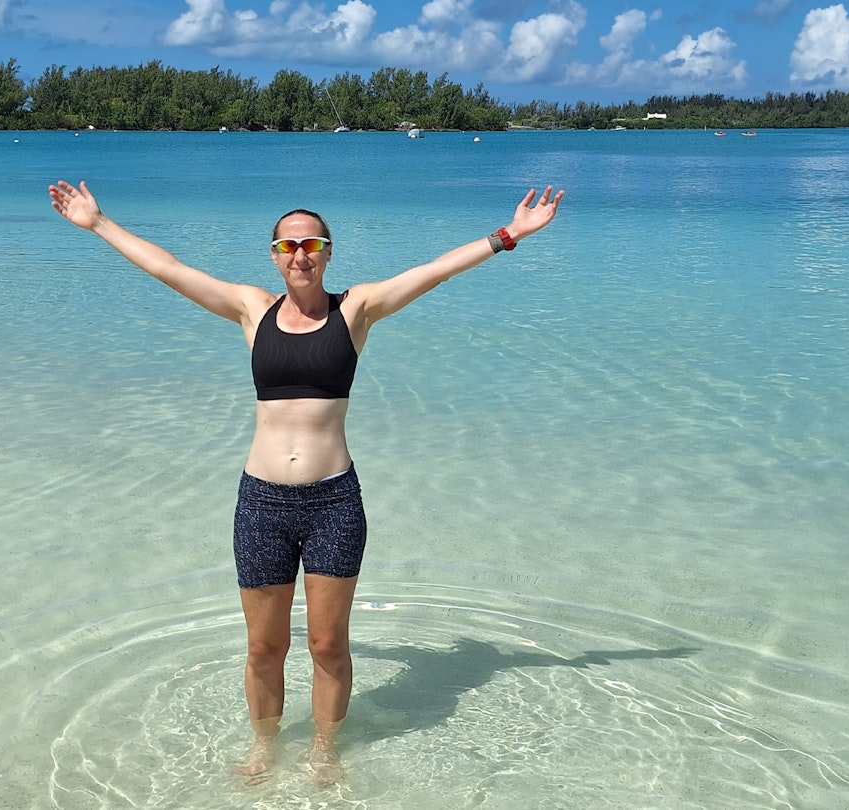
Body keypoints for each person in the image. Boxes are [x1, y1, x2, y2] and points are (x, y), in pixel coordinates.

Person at [47, 178, 564, 785]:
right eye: (287, 245)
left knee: (327, 645)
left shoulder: (357, 309)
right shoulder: (251, 309)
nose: (300, 254)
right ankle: (264, 746)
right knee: (265, 648)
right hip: (261, 502)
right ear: (273, 253)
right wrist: (99, 223)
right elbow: (169, 268)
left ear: (328, 252)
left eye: (312, 244)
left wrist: (508, 235)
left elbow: (433, 272)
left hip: (333, 503)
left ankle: (324, 748)